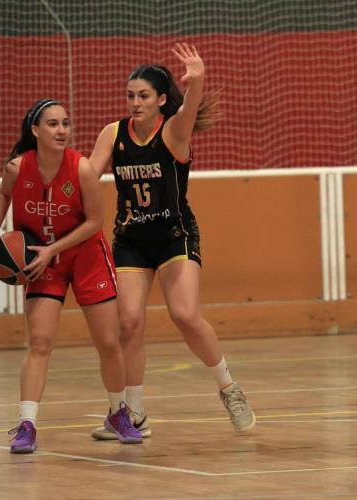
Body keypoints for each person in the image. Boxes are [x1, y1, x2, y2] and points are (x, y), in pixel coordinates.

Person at [88, 43, 256, 440]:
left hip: (174, 236)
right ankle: (135, 414)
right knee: (128, 324)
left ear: (162, 100)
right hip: (131, 238)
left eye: (143, 95)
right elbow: (88, 176)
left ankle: (229, 387)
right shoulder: (113, 134)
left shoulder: (173, 132)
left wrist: (197, 81)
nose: (134, 102)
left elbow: (190, 110)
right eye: (130, 95)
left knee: (184, 314)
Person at [0, 98, 142, 452]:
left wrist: (54, 249)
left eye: (66, 124)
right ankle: (27, 424)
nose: (62, 130)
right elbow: (2, 194)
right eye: (53, 124)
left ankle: (119, 412)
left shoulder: (82, 168)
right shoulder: (16, 167)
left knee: (108, 342)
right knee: (39, 342)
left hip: (85, 254)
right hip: (41, 259)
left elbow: (94, 222)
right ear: (35, 130)